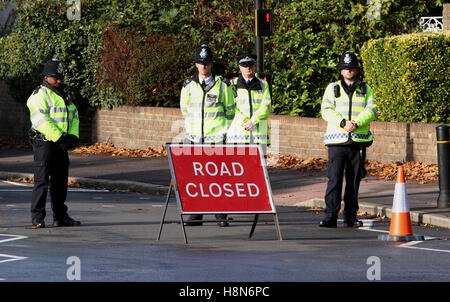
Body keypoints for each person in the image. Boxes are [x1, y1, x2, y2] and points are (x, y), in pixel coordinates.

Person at [180, 44, 235, 227]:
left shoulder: (223, 85)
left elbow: (230, 112)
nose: (204, 66)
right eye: (201, 63)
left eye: (207, 63)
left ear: (212, 64)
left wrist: (223, 134)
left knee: (218, 178)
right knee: (195, 178)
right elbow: (185, 110)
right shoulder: (188, 86)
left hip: (216, 139)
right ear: (196, 64)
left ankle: (221, 216)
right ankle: (196, 216)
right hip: (195, 139)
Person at [319, 51, 376, 228]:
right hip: (337, 141)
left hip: (358, 140)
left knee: (353, 181)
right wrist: (343, 123)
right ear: (341, 71)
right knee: (334, 179)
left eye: (351, 68)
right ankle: (330, 216)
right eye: (345, 68)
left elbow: (371, 110)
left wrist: (356, 123)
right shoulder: (332, 88)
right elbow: (326, 110)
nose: (349, 71)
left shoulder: (366, 88)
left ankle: (350, 217)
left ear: (356, 70)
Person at [26, 58, 81, 228]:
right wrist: (60, 138)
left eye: (60, 77)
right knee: (42, 181)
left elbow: (74, 115)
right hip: (45, 143)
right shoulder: (39, 95)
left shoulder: (63, 94)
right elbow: (41, 120)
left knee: (60, 181)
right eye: (55, 77)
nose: (58, 80)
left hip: (60, 143)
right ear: (46, 77)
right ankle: (37, 218)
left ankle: (60, 217)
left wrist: (72, 136)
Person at [226, 54, 271, 154]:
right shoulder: (232, 84)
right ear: (239, 67)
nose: (248, 68)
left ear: (254, 66)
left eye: (250, 65)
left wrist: (253, 121)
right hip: (238, 135)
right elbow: (230, 107)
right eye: (244, 66)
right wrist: (245, 122)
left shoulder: (263, 84)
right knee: (238, 168)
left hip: (258, 136)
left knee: (258, 168)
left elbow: (266, 106)